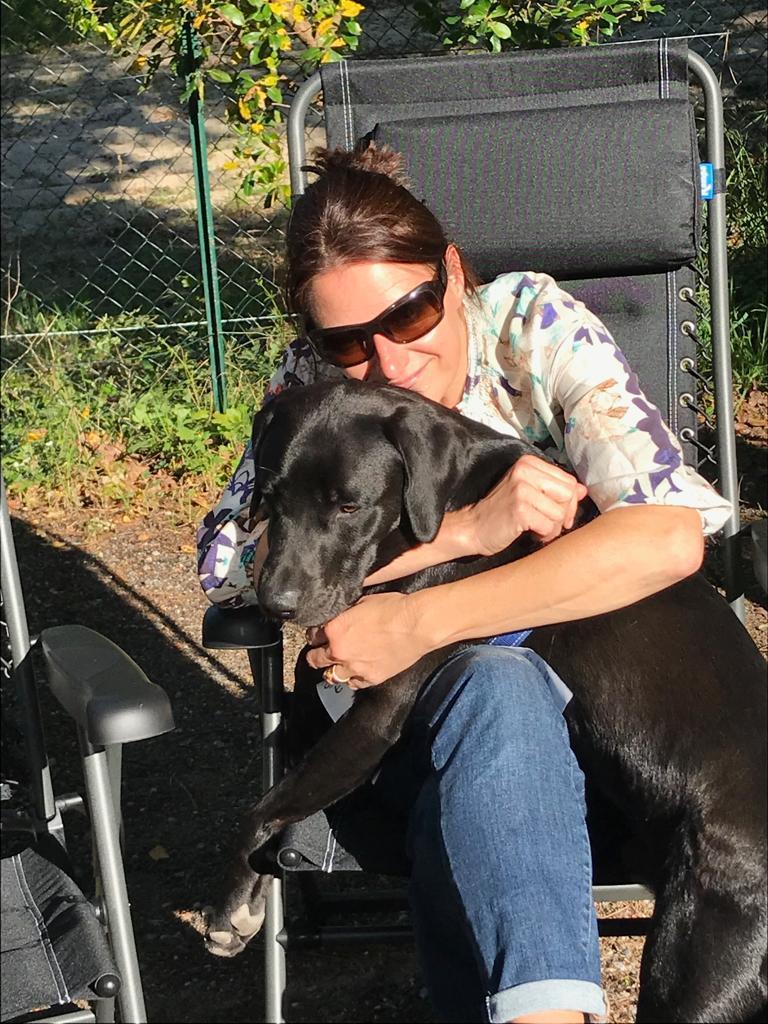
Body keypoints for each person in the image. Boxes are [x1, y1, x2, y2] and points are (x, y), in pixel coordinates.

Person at [197, 144, 731, 1024]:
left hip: (606, 759)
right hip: (395, 748)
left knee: (498, 681)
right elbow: (225, 563)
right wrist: (466, 533)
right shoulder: (309, 390)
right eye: (343, 339)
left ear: (451, 272)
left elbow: (668, 534)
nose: (386, 362)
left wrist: (424, 619)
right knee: (497, 687)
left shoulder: (532, 328)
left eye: (409, 316)